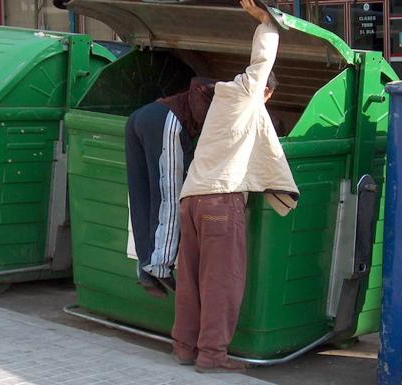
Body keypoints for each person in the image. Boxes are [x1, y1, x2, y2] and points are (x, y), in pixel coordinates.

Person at [171, 0, 300, 373]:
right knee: (221, 282)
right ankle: (212, 355)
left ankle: (184, 347)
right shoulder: (247, 95)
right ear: (268, 95)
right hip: (220, 202)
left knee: (191, 280)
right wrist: (267, 24)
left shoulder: (218, 101)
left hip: (191, 198)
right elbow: (261, 63)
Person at [125, 77, 216, 298]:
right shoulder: (225, 93)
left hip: (139, 118)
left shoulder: (214, 89)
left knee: (141, 198)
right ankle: (160, 267)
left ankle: (145, 267)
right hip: (167, 121)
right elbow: (199, 86)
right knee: (170, 196)